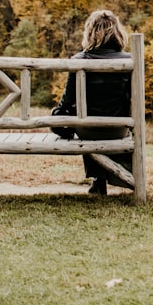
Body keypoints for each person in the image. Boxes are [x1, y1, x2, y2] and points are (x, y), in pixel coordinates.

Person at [52, 10, 133, 195]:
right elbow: (130, 100)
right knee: (98, 116)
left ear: (90, 32)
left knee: (70, 116)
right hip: (119, 128)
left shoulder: (79, 60)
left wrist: (57, 113)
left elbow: (66, 102)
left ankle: (99, 181)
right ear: (118, 33)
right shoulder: (130, 61)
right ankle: (104, 179)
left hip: (86, 129)